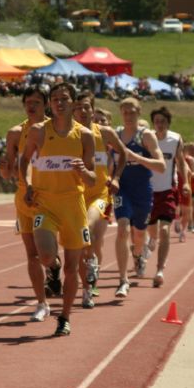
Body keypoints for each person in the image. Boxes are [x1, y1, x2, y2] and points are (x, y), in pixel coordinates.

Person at [20, 82, 96, 337]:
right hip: (46, 203)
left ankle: (64, 317)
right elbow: (24, 160)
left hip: (74, 205)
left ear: (73, 102)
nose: (58, 103)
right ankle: (52, 268)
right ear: (50, 103)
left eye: (64, 99)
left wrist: (84, 171)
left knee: (73, 269)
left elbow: (93, 179)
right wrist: (28, 184)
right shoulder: (38, 131)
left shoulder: (85, 135)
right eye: (54, 99)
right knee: (43, 255)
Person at [0, 86, 60, 323]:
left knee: (47, 254)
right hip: (25, 198)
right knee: (32, 255)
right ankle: (42, 303)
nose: (31, 106)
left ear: (46, 105)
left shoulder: (56, 130)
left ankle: (54, 267)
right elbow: (10, 172)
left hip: (50, 199)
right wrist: (5, 170)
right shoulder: (15, 133)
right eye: (28, 102)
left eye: (36, 102)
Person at [72, 90, 127, 308]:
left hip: (101, 195)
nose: (83, 111)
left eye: (87, 107)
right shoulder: (67, 134)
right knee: (83, 245)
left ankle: (89, 280)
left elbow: (123, 154)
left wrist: (116, 179)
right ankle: (87, 286)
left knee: (88, 232)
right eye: (78, 107)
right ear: (72, 110)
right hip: (75, 195)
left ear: (93, 110)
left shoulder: (104, 133)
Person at [113, 97, 166, 298]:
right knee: (122, 228)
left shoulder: (146, 135)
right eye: (124, 111)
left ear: (139, 112)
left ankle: (138, 256)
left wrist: (137, 158)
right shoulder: (115, 135)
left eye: (132, 111)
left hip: (142, 192)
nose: (128, 115)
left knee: (138, 235)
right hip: (122, 189)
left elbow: (161, 166)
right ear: (120, 113)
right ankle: (123, 279)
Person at [145, 106, 187, 288]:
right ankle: (151, 239)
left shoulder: (175, 139)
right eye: (156, 121)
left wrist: (185, 182)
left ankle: (159, 269)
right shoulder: (147, 139)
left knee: (165, 231)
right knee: (152, 230)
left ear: (168, 123)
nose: (159, 124)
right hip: (148, 191)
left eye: (162, 121)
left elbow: (181, 162)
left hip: (168, 190)